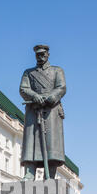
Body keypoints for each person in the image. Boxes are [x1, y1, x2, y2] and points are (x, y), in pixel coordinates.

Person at [19, 44, 66, 180]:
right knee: (31, 141)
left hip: (51, 110)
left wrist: (50, 97)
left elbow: (61, 87)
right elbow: (23, 89)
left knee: (51, 142)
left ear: (48, 54)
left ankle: (50, 174)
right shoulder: (28, 73)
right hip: (34, 109)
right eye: (37, 54)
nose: (40, 57)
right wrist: (34, 96)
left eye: (42, 54)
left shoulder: (57, 71)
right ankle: (30, 172)